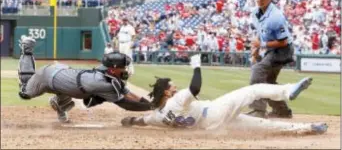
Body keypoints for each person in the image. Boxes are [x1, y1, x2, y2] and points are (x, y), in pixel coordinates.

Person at [120, 54, 327, 134]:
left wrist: (130, 120)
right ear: (166, 91)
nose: (174, 87)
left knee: (264, 126)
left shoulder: (158, 116)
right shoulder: (177, 99)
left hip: (212, 125)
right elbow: (195, 89)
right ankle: (287, 91)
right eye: (171, 86)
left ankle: (308, 128)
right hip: (215, 111)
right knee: (252, 90)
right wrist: (197, 67)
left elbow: (142, 120)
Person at [17, 35, 152, 123]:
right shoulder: (103, 84)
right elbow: (126, 103)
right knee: (25, 92)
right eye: (123, 67)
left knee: (67, 92)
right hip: (47, 76)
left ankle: (59, 105)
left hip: (64, 79)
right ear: (113, 69)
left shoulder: (108, 73)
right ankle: (27, 48)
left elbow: (128, 93)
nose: (125, 69)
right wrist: (151, 107)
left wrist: (151, 104)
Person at [248, 0, 295, 118]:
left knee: (258, 71)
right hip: (272, 49)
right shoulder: (256, 12)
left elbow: (284, 41)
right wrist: (256, 50)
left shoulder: (276, 16)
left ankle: (258, 110)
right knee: (268, 82)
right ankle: (282, 111)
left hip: (283, 50)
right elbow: (259, 32)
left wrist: (261, 44)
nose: (260, 0)